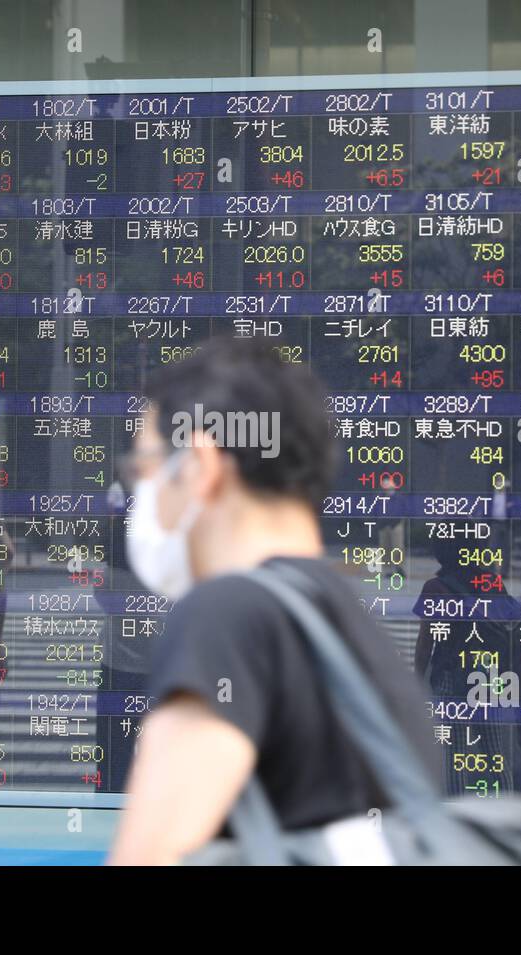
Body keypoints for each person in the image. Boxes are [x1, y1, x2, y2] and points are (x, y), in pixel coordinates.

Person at [106, 337, 437, 865]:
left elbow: (151, 855)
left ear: (201, 465)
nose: (140, 496)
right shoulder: (349, 627)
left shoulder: (228, 615)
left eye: (144, 469)